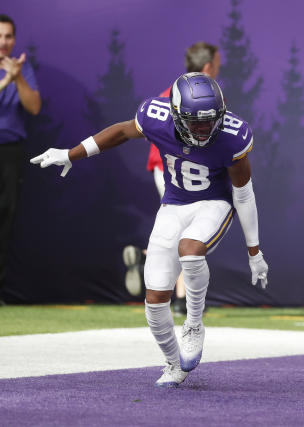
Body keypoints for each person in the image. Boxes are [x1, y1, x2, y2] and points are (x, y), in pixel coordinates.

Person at [31, 73, 269, 387]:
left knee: (191, 249)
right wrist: (71, 154)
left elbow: (243, 193)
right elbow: (120, 132)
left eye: (210, 121)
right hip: (172, 205)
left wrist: (254, 251)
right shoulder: (155, 116)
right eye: (195, 122)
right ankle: (174, 365)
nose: (203, 128)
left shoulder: (233, 135)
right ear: (177, 115)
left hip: (214, 203)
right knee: (155, 297)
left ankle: (194, 325)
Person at [123, 42, 221, 317]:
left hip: (163, 167)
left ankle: (147, 260)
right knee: (190, 229)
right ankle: (180, 299)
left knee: (183, 229)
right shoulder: (202, 96)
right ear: (207, 68)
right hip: (180, 168)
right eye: (217, 65)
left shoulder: (170, 92)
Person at [0, 14, 41, 304]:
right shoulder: (10, 73)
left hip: (9, 153)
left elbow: (34, 107)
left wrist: (19, 78)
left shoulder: (21, 69)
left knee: (4, 220)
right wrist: (6, 81)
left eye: (9, 36)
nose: (4, 42)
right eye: (0, 36)